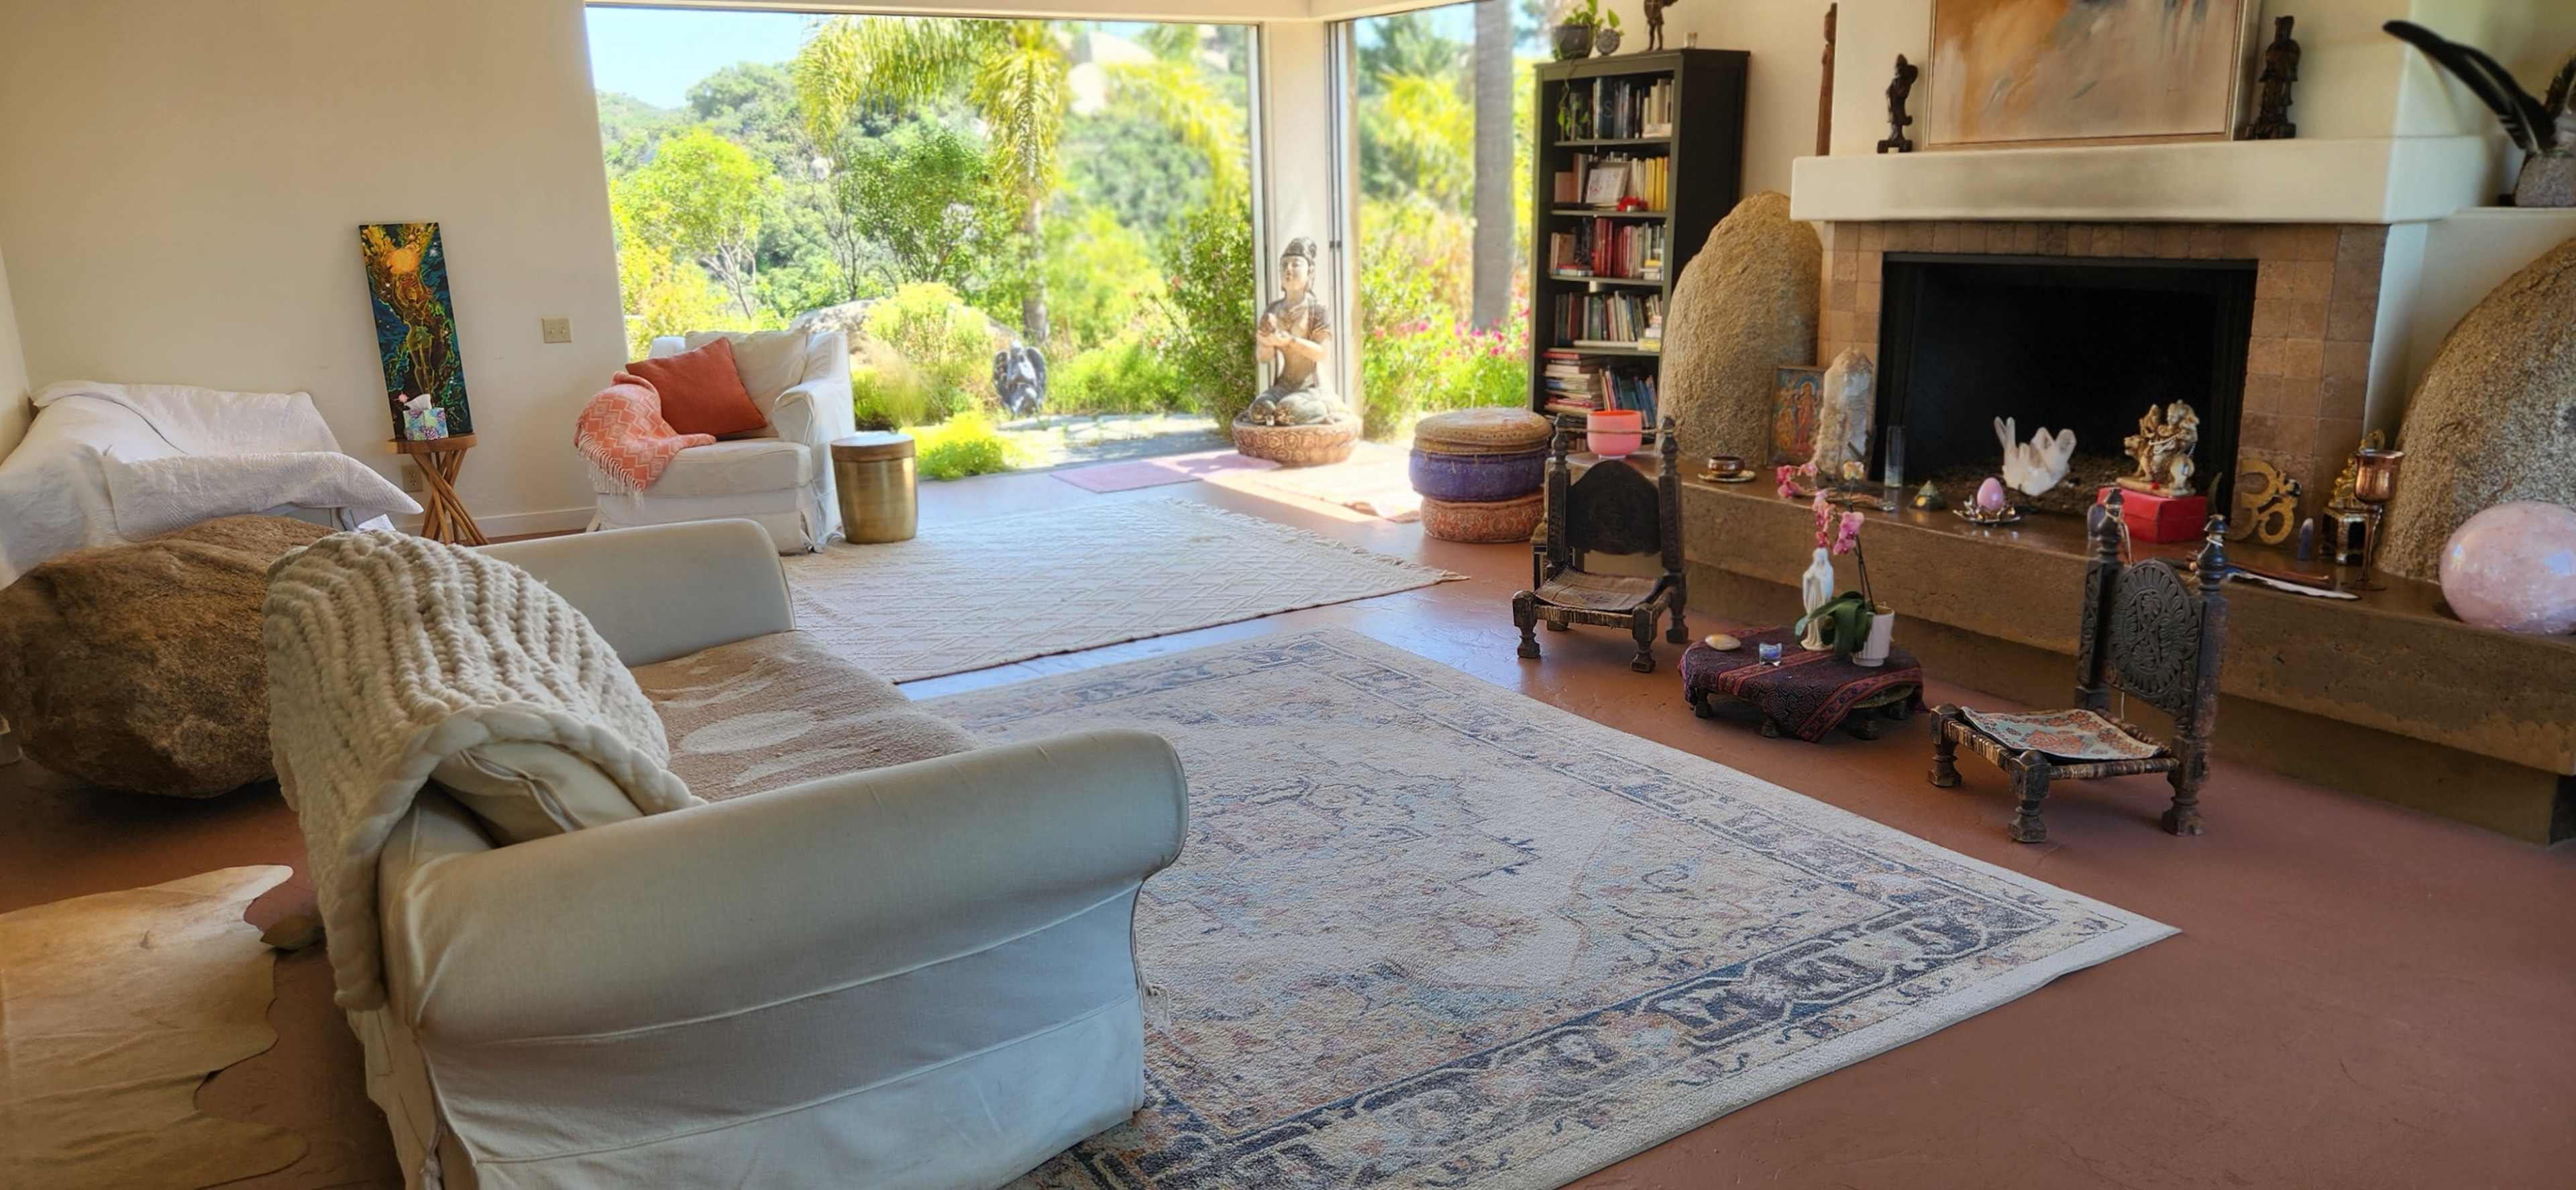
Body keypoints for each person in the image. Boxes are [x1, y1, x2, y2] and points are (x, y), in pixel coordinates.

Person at [1242, 237, 1345, 427]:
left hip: (1310, 386)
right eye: (1284, 265)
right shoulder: (1272, 309)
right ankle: (1291, 413)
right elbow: (1264, 358)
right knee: (1259, 411)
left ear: (1310, 271)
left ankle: (1325, 408)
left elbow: (1322, 354)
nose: (1288, 270)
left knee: (1286, 412)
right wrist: (1266, 342)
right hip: (1284, 385)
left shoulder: (1317, 310)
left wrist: (1289, 341)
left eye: (1296, 264)